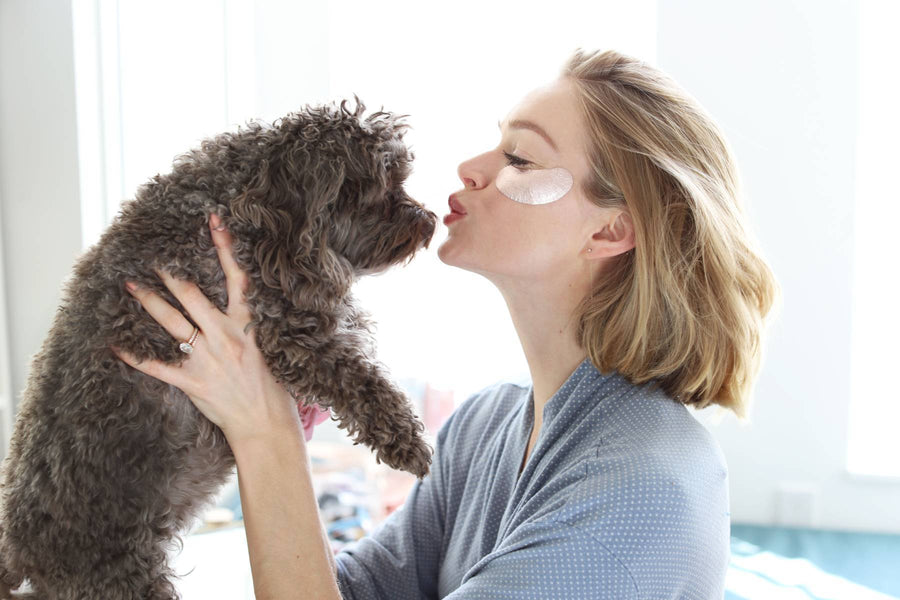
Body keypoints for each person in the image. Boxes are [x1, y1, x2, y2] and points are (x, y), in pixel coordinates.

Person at [113, 48, 780, 599]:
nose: (473, 168)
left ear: (612, 229)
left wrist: (264, 430)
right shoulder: (484, 427)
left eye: (520, 159)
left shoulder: (640, 494)